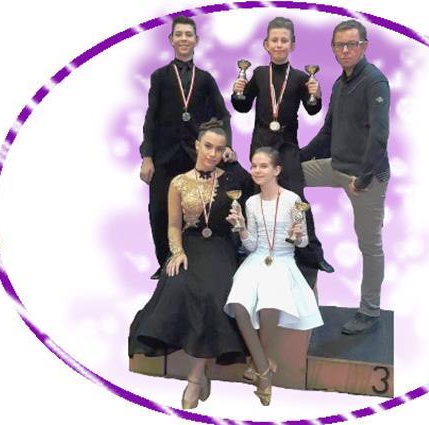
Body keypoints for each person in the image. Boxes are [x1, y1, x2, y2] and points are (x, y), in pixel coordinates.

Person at [128, 121, 247, 410]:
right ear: (197, 145)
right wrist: (177, 251)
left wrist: (235, 161)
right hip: (190, 245)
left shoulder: (232, 179)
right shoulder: (178, 182)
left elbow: (256, 183)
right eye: (208, 146)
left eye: (219, 149)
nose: (213, 154)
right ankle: (200, 373)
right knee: (178, 284)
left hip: (220, 247)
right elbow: (173, 225)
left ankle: (195, 378)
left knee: (215, 294)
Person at [300, 20, 391, 335]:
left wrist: (364, 179)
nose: (346, 50)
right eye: (340, 45)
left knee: (369, 244)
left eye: (352, 44)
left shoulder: (375, 82)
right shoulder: (340, 84)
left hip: (367, 176)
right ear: (333, 48)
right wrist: (292, 158)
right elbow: (327, 133)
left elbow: (379, 136)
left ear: (364, 46)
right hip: (337, 166)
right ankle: (305, 248)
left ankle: (370, 311)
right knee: (287, 175)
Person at [139, 16, 242, 280]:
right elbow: (151, 118)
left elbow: (223, 115)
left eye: (188, 34)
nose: (184, 38)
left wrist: (227, 145)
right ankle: (166, 261)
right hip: (164, 156)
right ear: (171, 39)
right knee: (159, 210)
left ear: (196, 40)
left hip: (196, 156)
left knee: (203, 209)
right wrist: (147, 156)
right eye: (179, 34)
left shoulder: (205, 79)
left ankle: (198, 257)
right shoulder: (159, 77)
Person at [231, 16, 335, 275]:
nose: (279, 45)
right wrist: (237, 92)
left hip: (287, 144)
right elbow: (243, 106)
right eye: (274, 40)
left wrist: (315, 95)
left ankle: (311, 253)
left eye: (284, 41)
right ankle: (248, 246)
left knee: (297, 196)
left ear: (292, 45)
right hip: (262, 142)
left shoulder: (300, 77)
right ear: (266, 44)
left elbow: (312, 110)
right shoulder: (258, 74)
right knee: (256, 194)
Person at [224, 147, 323, 406]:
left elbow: (302, 243)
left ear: (277, 170)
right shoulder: (250, 202)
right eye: (254, 165)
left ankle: (260, 370)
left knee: (269, 304)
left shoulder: (292, 199)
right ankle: (264, 367)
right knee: (239, 304)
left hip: (282, 260)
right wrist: (242, 228)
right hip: (257, 259)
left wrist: (297, 235)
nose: (257, 170)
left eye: (263, 166)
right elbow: (251, 245)